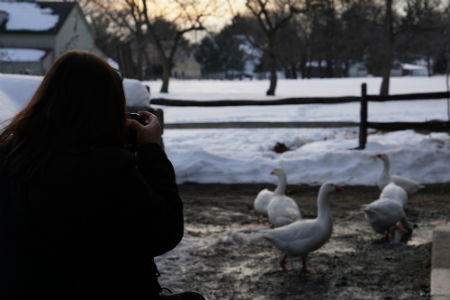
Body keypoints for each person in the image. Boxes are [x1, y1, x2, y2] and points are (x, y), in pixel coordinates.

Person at [0, 50, 204, 299]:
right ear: (108, 105)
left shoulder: (9, 154)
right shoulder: (107, 167)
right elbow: (164, 233)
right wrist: (151, 149)